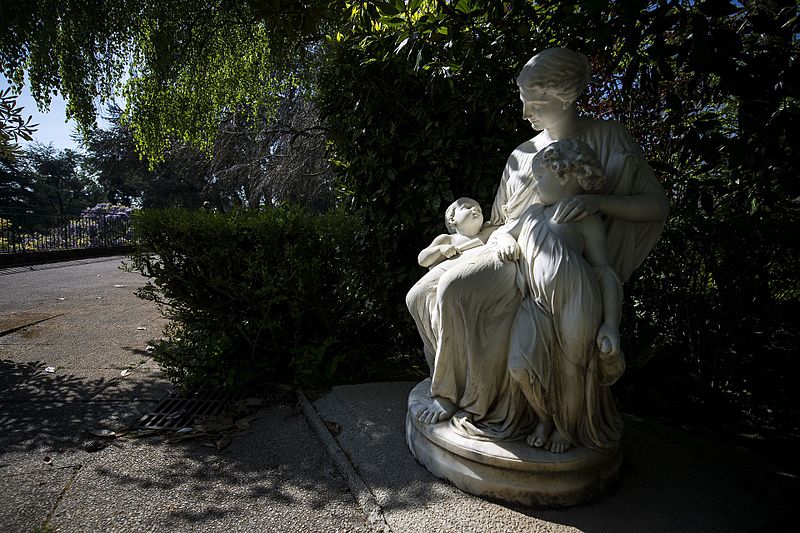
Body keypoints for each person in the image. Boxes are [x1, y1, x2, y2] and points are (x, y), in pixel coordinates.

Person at [406, 48, 669, 449]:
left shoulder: (607, 138)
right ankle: (454, 387)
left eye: (534, 100)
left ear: (563, 94)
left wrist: (599, 203)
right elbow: (499, 221)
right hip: (508, 246)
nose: (525, 111)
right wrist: (463, 242)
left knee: (453, 290)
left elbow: (655, 206)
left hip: (553, 268)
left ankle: (461, 398)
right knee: (420, 294)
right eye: (523, 99)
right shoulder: (522, 155)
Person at [497, 138, 625, 453]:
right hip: (536, 303)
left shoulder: (584, 217)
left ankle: (567, 428)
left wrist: (610, 324)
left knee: (573, 368)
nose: (535, 183)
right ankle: (544, 416)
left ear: (563, 175)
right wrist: (502, 241)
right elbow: (504, 231)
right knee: (519, 367)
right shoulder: (532, 214)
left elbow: (605, 272)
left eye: (540, 176)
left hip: (577, 300)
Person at [417, 197, 493, 269]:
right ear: (452, 219)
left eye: (479, 209)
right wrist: (440, 249)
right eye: (467, 207)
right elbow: (423, 260)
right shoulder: (449, 239)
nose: (475, 209)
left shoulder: (486, 233)